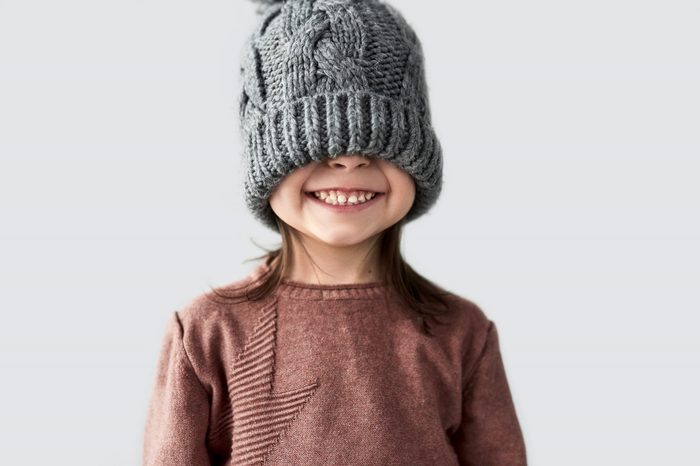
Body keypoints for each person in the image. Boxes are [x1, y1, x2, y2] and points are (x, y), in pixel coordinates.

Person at [142, 0, 527, 464]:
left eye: (379, 138)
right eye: (313, 143)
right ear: (267, 168)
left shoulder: (462, 333)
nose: (348, 159)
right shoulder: (207, 334)